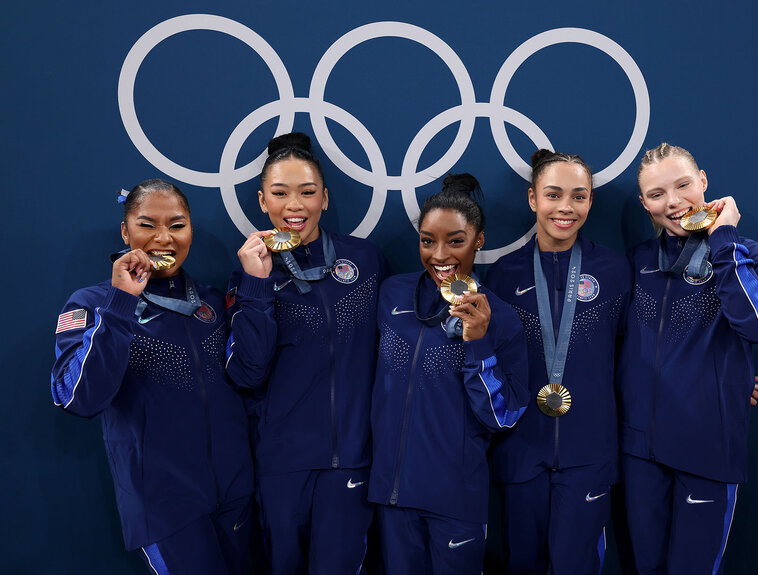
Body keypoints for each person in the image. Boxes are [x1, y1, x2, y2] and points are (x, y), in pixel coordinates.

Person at [50, 179, 254, 574]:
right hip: (164, 505)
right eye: (148, 225)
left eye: (177, 225)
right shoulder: (93, 303)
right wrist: (121, 302)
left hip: (237, 496)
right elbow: (78, 398)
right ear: (126, 232)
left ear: (191, 230)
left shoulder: (211, 301)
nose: (164, 238)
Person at [616, 143, 758, 574]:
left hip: (707, 450)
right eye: (657, 194)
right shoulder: (636, 263)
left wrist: (723, 240)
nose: (673, 202)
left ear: (704, 182)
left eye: (683, 185)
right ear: (644, 203)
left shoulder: (750, 255)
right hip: (640, 453)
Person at [225, 132, 386, 574]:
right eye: (280, 193)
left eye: (307, 192)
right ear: (262, 201)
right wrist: (256, 286)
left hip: (352, 462)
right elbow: (247, 373)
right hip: (281, 466)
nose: (294, 205)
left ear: (326, 199)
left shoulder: (366, 261)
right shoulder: (249, 273)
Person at [369, 173, 530, 575]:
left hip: (455, 500)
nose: (440, 254)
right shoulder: (391, 293)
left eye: (456, 241)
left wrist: (478, 343)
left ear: (479, 240)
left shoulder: (501, 317)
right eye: (428, 240)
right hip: (392, 496)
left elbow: (501, 416)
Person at [485, 150, 631, 574]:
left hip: (589, 450)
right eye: (553, 195)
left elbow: (639, 353)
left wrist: (727, 375)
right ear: (533, 199)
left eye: (578, 196)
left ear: (590, 202)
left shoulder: (614, 269)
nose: (566, 207)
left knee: (576, 566)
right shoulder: (504, 274)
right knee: (522, 564)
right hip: (520, 450)